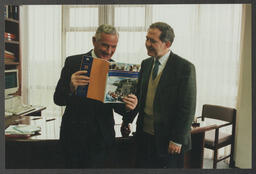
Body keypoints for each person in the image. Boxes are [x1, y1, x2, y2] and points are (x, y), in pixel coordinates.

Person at [54, 24, 137, 168]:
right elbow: (58, 99)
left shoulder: (117, 69)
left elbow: (119, 109)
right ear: (94, 41)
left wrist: (130, 106)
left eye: (113, 47)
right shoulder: (73, 62)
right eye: (105, 45)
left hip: (102, 139)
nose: (109, 51)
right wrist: (70, 87)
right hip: (74, 137)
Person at [121, 22, 196, 168]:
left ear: (167, 44)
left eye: (152, 41)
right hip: (144, 136)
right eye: (147, 39)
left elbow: (187, 107)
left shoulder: (185, 68)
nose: (147, 43)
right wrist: (127, 120)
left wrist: (177, 139)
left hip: (169, 141)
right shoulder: (146, 64)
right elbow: (139, 97)